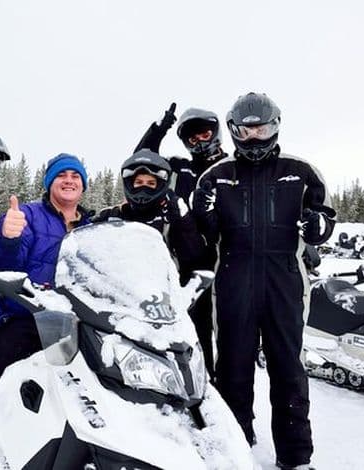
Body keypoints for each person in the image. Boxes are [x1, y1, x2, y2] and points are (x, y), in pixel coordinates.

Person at [194, 92, 335, 470]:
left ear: (275, 126)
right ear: (235, 130)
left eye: (263, 128)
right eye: (248, 129)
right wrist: (201, 215)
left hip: (284, 282)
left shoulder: (300, 170)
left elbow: (323, 218)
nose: (255, 136)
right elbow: (202, 236)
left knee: (288, 369)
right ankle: (235, 448)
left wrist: (319, 225)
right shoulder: (217, 176)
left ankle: (295, 457)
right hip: (234, 281)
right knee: (233, 370)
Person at [0, 153, 92, 449]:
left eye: (75, 176)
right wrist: (6, 236)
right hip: (27, 315)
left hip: (78, 323)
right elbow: (1, 259)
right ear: (49, 183)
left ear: (83, 185)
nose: (69, 180)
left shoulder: (90, 226)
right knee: (2, 370)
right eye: (62, 175)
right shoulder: (30, 215)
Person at [134, 103, 228, 377]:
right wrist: (158, 130)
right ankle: (199, 388)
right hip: (186, 266)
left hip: (229, 262)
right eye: (191, 137)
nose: (198, 140)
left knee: (230, 339)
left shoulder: (232, 168)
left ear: (216, 133)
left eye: (204, 133)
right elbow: (143, 159)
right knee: (193, 338)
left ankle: (230, 401)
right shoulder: (179, 169)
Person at [92, 149, 206, 283]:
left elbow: (193, 259)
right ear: (130, 184)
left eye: (151, 183)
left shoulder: (171, 217)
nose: (144, 188)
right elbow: (88, 255)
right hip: (118, 291)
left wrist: (183, 223)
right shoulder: (113, 216)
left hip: (164, 292)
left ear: (161, 186)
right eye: (139, 182)